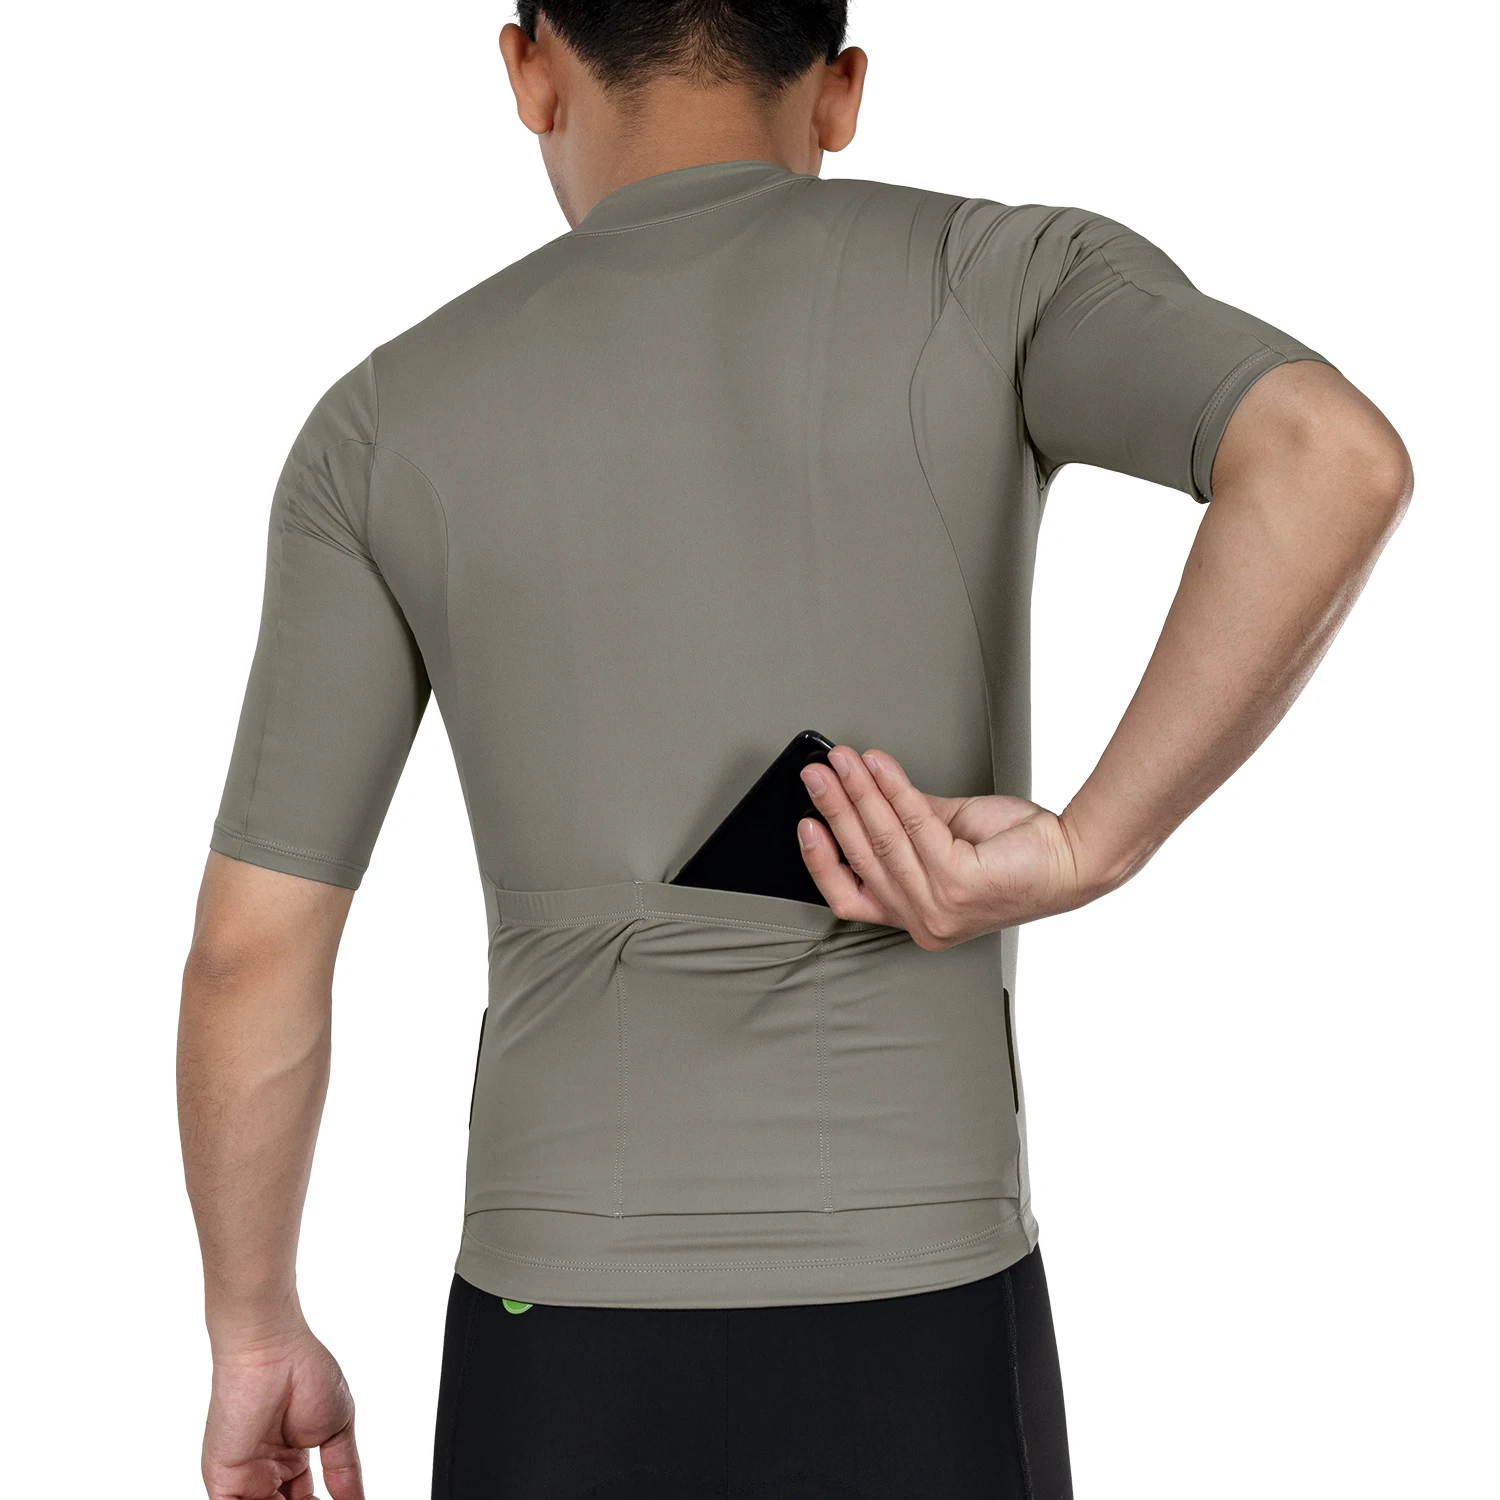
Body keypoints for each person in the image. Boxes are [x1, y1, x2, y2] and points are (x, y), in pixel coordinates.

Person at [176, 3, 1413, 1497]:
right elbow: (1329, 457)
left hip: (555, 1336)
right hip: (922, 1316)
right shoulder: (999, 278)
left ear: (530, 69)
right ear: (840, 92)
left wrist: (255, 1331)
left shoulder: (381, 426)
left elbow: (252, 952)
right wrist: (1091, 841)